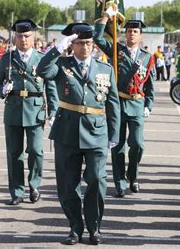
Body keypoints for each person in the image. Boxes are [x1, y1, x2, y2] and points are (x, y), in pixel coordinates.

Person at [36, 23, 120, 245]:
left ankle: (95, 227)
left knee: (96, 179)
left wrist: (114, 134)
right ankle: (75, 227)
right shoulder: (62, 65)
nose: (85, 47)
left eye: (89, 43)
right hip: (67, 131)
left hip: (97, 131)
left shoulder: (105, 69)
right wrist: (56, 50)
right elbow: (41, 71)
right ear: (72, 45)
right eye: (80, 43)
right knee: (67, 184)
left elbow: (113, 103)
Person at [94, 8, 155, 198]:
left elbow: (150, 85)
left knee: (137, 144)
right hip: (118, 103)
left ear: (140, 35)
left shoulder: (146, 57)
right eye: (128, 31)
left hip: (137, 105)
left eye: (135, 32)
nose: (131, 34)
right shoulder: (115, 50)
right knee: (118, 146)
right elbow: (97, 37)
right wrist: (105, 18)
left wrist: (148, 105)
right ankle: (120, 182)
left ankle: (133, 176)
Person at [0, 19, 58, 206]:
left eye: (27, 36)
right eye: (20, 36)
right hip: (14, 109)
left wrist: (53, 111)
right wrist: (2, 90)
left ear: (33, 37)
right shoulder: (7, 58)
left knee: (36, 151)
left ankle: (34, 185)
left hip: (36, 109)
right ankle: (17, 192)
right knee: (14, 154)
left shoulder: (41, 58)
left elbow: (51, 87)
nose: (23, 39)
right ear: (15, 37)